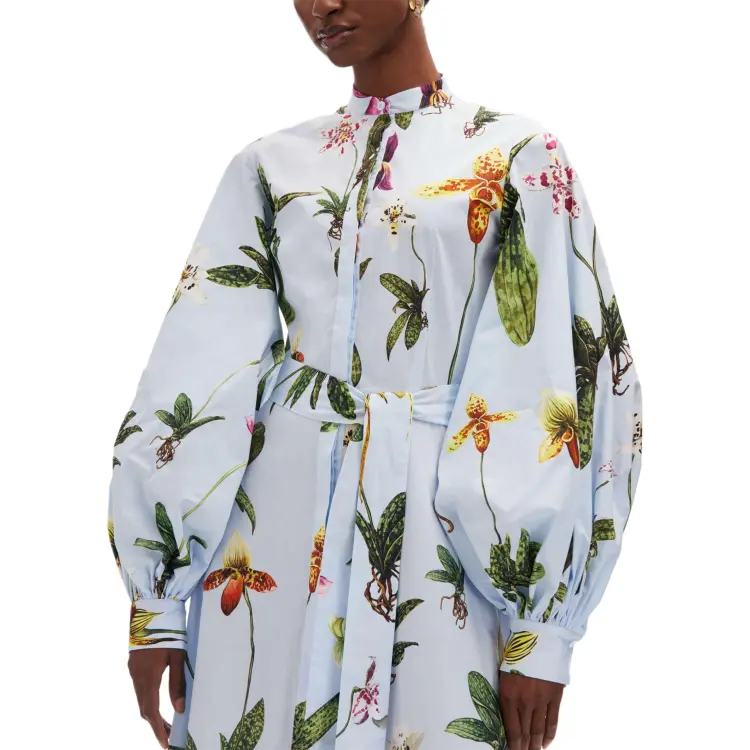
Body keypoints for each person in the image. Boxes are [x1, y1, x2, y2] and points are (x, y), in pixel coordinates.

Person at [108, 1, 644, 749]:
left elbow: (563, 375)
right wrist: (157, 603)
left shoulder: (517, 158)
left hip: (447, 543)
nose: (322, 6)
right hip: (274, 539)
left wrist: (541, 628)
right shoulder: (268, 167)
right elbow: (198, 369)